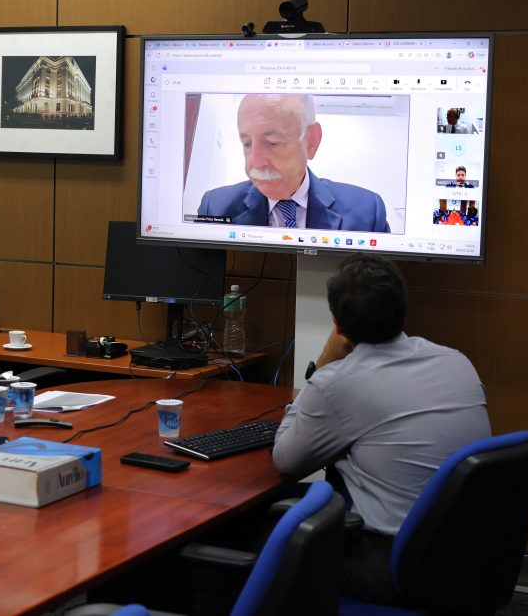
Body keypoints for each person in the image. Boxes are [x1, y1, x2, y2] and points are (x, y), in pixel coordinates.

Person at [272, 254, 490, 605]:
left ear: (337, 325)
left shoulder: (337, 383)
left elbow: (286, 459)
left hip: (398, 567)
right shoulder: (457, 361)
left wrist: (322, 366)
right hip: (471, 561)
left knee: (263, 549)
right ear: (403, 309)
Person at [197, 94, 390, 232]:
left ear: (311, 141)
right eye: (247, 143)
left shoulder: (367, 212)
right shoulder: (215, 208)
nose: (254, 164)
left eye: (272, 143)